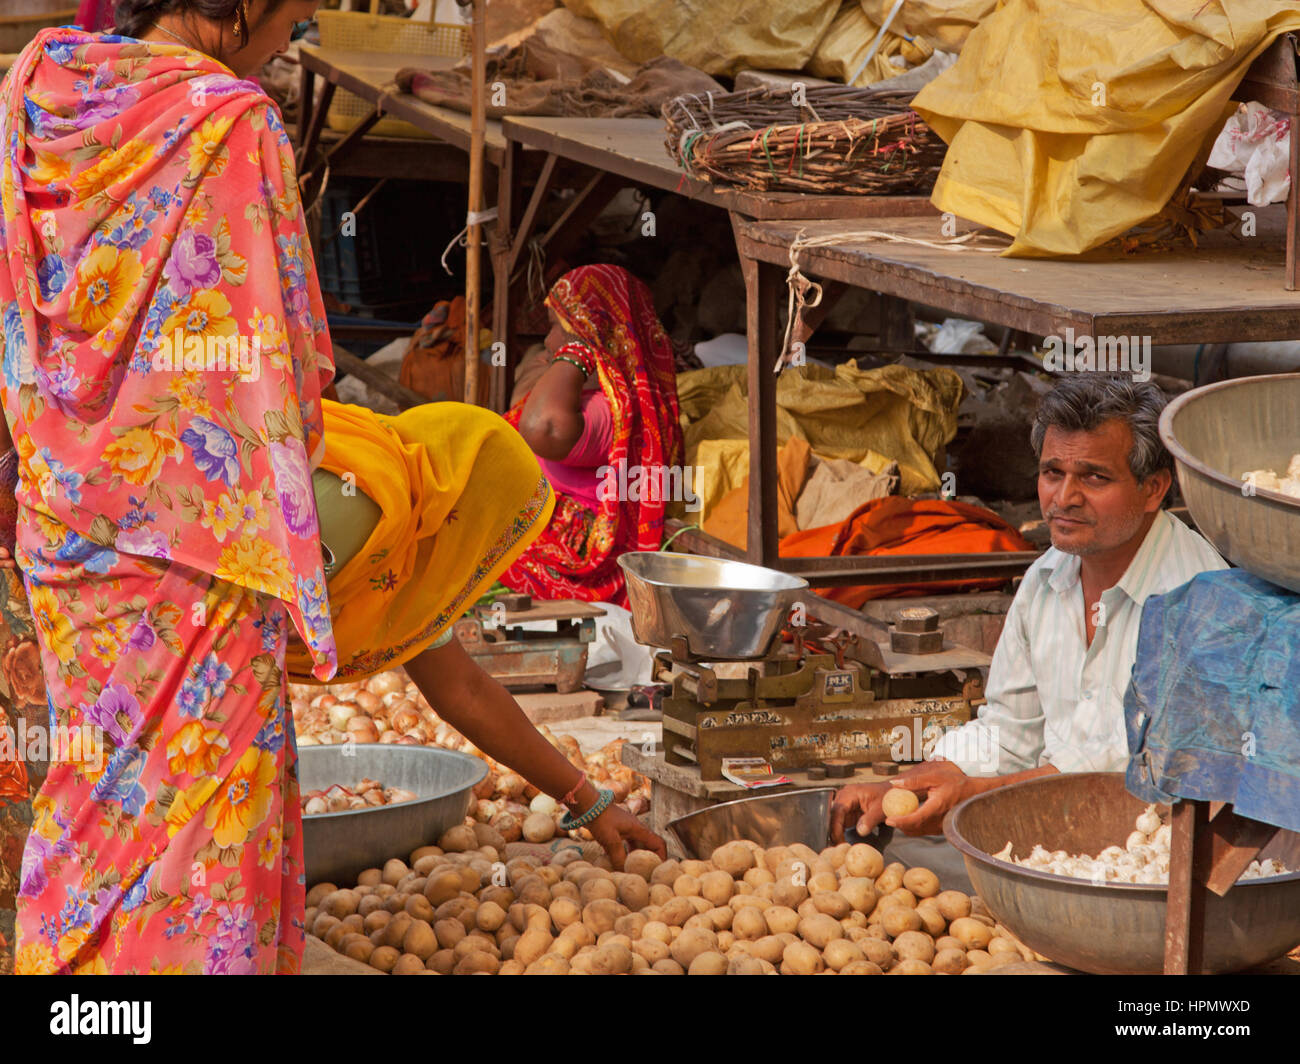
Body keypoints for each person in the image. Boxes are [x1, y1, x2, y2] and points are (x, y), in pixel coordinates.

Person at [1, 5, 659, 976]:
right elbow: (286, 359)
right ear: (236, 8)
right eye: (293, 11)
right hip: (202, 552)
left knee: (99, 810)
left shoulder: (40, 84)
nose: (297, 28)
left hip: (64, 528)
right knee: (196, 844)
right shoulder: (230, 121)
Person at [830, 374, 1227, 845]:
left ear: (1154, 489)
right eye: (1052, 473)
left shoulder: (1198, 600)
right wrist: (905, 786)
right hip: (1057, 837)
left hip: (1165, 851)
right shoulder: (1045, 580)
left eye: (1094, 477)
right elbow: (1007, 731)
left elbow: (1132, 774)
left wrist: (976, 794)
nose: (1063, 498)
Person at [505, 264, 685, 607]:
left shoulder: (611, 410)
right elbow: (523, 399)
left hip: (569, 562)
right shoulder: (594, 396)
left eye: (556, 327)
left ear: (586, 330)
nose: (547, 341)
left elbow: (541, 427)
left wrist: (577, 350)